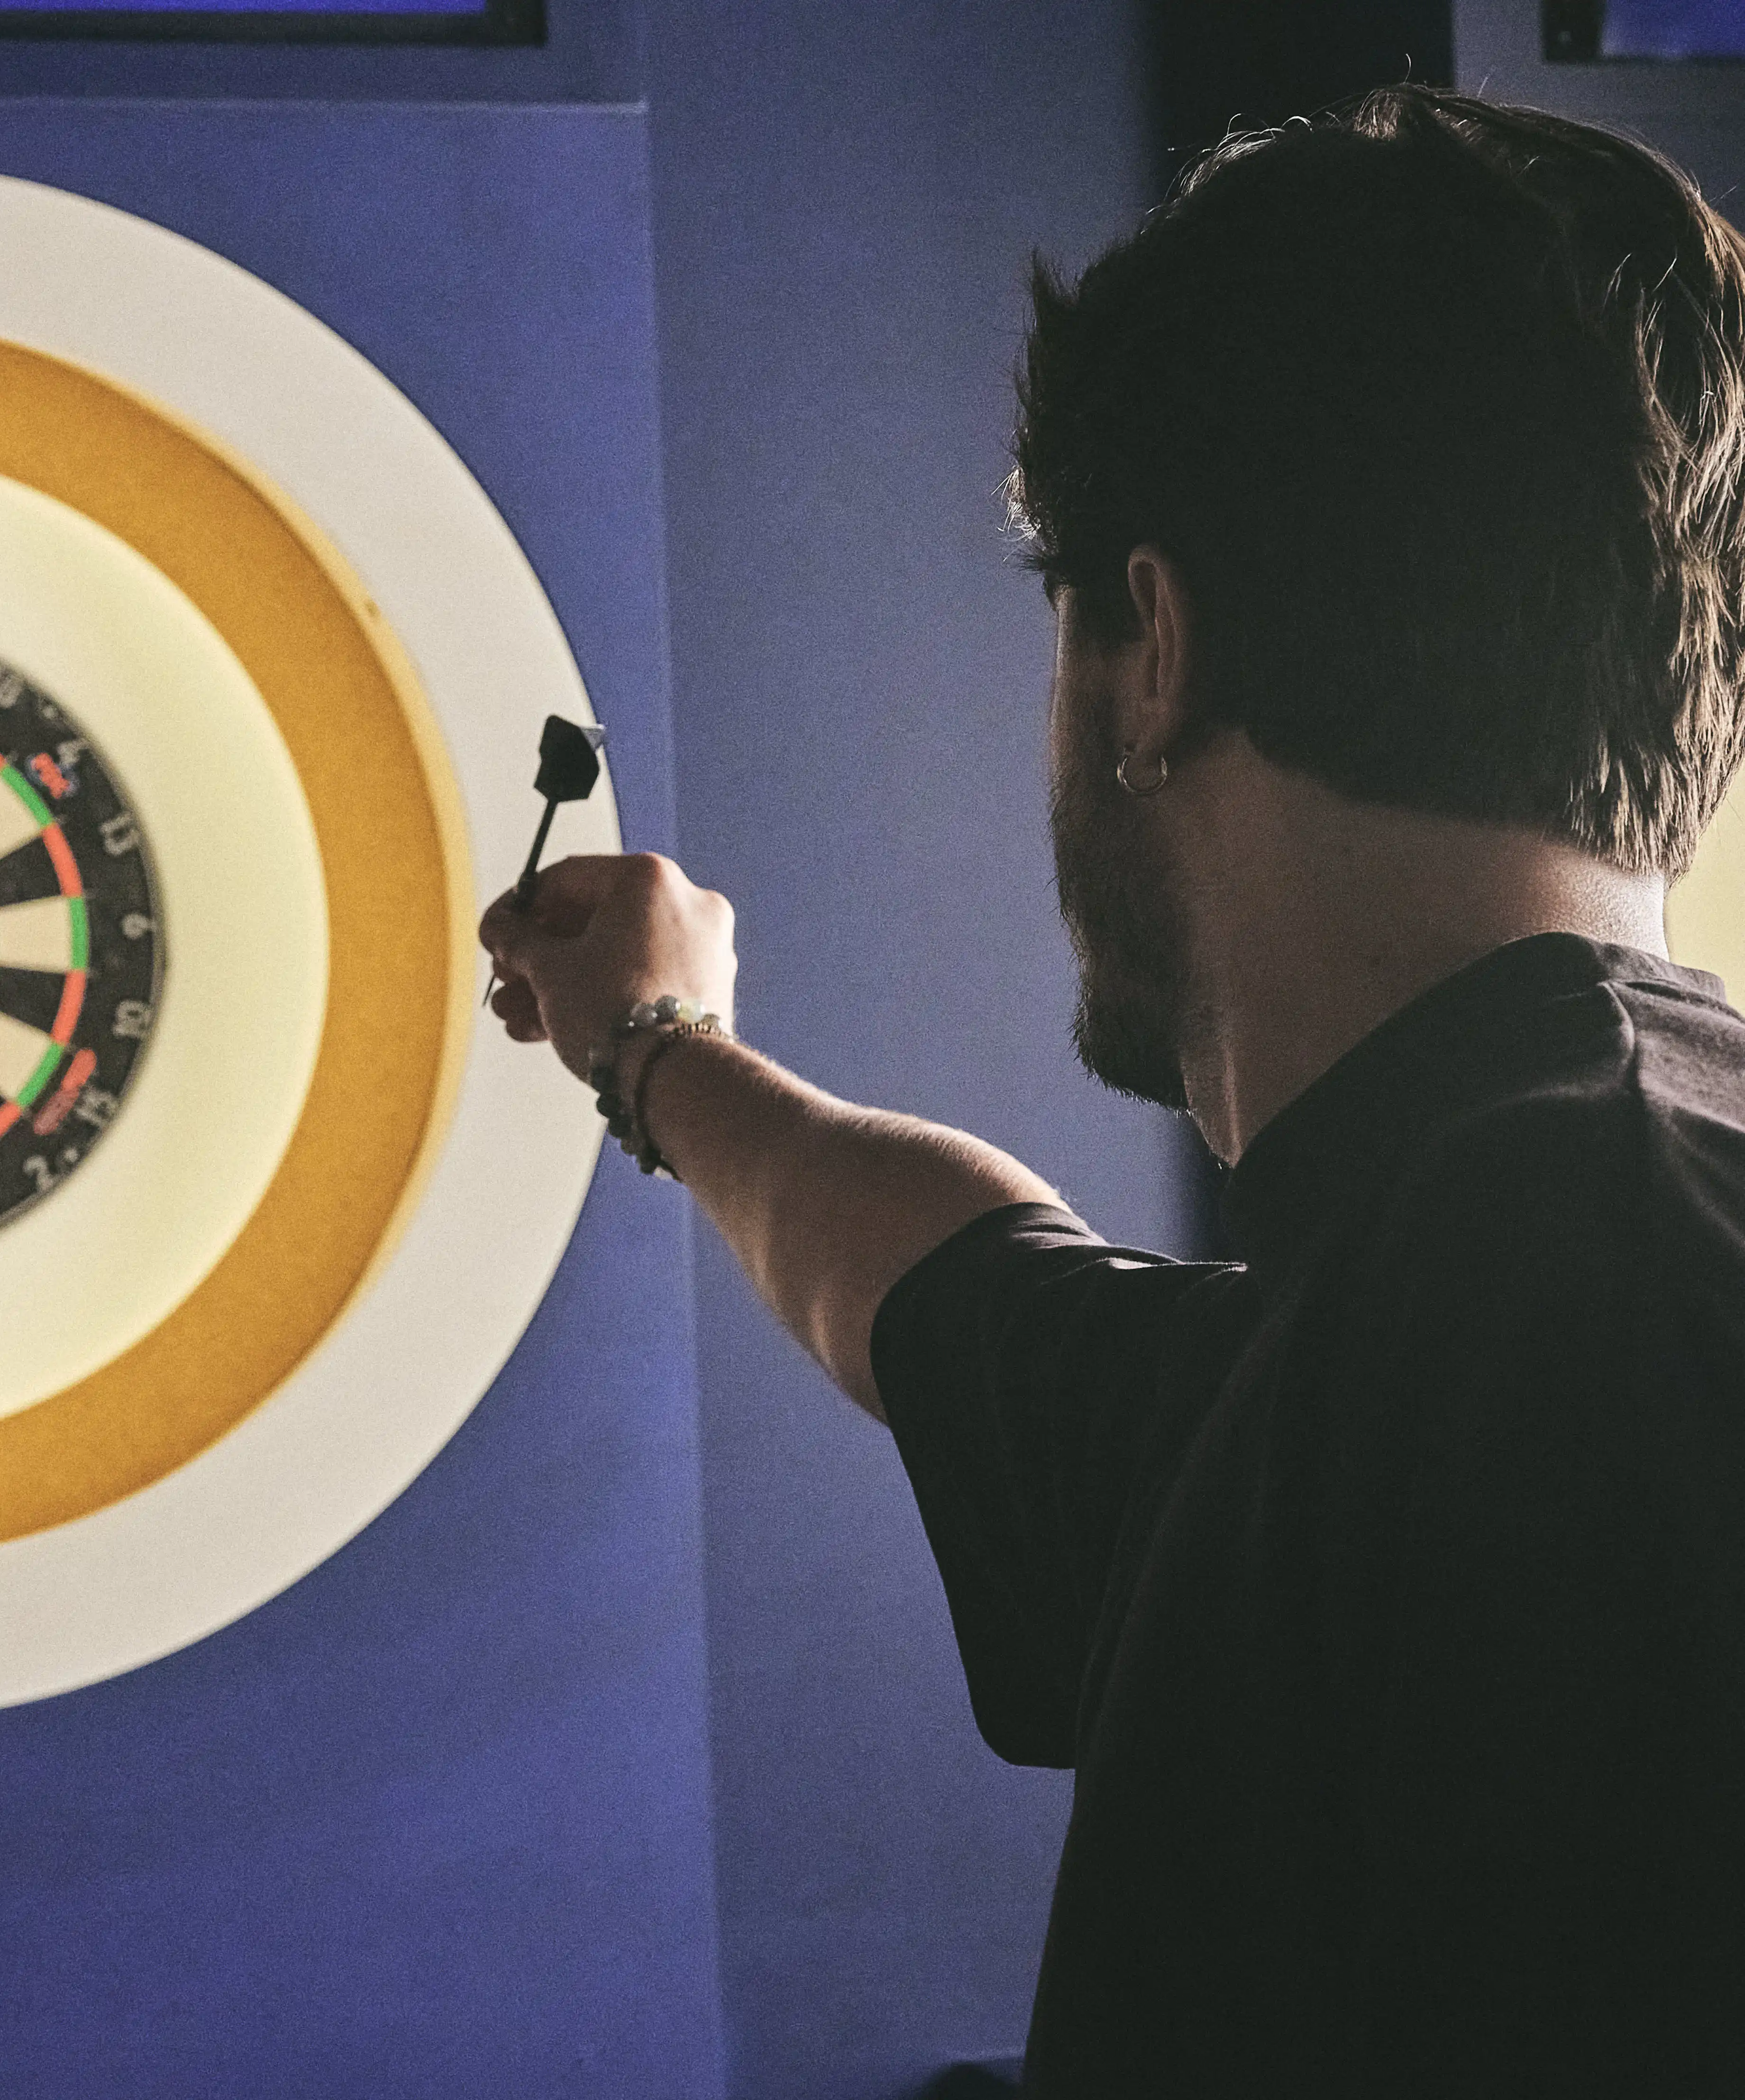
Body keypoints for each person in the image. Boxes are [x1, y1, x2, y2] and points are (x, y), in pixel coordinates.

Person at [480, 87, 1745, 2099]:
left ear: (1152, 652)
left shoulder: (1547, 1281)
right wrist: (660, 1051)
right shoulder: (1447, 1286)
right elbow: (958, 1299)